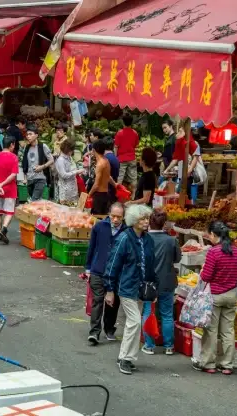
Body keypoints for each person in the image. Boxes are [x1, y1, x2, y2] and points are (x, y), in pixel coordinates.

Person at [104, 204, 155, 375]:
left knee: (133, 324)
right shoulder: (124, 238)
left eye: (147, 218)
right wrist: (109, 289)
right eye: (142, 219)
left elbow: (151, 265)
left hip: (141, 289)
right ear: (134, 221)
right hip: (126, 287)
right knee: (135, 322)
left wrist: (152, 286)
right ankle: (126, 358)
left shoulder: (148, 240)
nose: (146, 221)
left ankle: (126, 357)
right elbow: (113, 264)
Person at [193, 221, 237, 375]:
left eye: (210, 235)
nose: (209, 238)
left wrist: (202, 272)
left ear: (214, 235)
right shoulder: (236, 250)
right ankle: (227, 364)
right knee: (228, 331)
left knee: (212, 330)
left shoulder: (214, 252)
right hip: (232, 294)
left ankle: (208, 363)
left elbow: (207, 276)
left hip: (215, 295)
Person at [85, 202, 126, 345]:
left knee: (113, 303)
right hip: (98, 270)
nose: (115, 220)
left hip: (116, 274)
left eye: (119, 217)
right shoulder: (99, 227)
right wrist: (88, 269)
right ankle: (94, 332)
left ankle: (109, 328)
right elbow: (91, 248)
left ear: (123, 217)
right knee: (98, 301)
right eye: (113, 216)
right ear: (109, 214)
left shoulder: (126, 232)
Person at [142, 208, 181, 355]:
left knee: (148, 312)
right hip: (167, 282)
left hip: (148, 283)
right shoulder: (171, 240)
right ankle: (169, 346)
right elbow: (177, 259)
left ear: (150, 223)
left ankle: (149, 345)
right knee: (167, 314)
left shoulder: (144, 239)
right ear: (164, 224)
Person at [0, 136, 19, 243]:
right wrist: (3, 184)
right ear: (11, 145)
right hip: (10, 188)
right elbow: (13, 174)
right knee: (9, 212)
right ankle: (4, 229)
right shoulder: (14, 157)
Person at [22, 126, 53, 202]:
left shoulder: (43, 146)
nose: (28, 136)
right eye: (27, 135)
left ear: (36, 135)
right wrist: (25, 177)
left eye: (30, 134)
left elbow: (51, 160)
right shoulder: (27, 147)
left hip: (40, 177)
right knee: (36, 201)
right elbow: (25, 163)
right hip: (30, 178)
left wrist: (42, 167)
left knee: (34, 200)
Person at [55, 139, 85, 205]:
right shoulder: (60, 160)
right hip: (65, 190)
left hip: (73, 187)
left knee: (74, 207)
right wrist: (76, 172)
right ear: (68, 149)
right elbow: (63, 175)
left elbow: (73, 168)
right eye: (72, 150)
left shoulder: (69, 157)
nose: (72, 151)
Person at [115, 114, 140, 192]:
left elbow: (116, 147)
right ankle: (133, 195)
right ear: (131, 122)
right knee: (133, 178)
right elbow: (136, 145)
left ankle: (118, 194)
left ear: (123, 122)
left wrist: (115, 158)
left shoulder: (119, 133)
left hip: (121, 159)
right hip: (132, 158)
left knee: (120, 178)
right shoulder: (135, 133)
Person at [90, 140, 111, 215]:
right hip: (105, 194)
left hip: (99, 195)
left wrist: (89, 195)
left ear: (94, 150)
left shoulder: (100, 164)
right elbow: (108, 176)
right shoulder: (106, 160)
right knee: (103, 217)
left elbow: (96, 185)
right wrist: (115, 184)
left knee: (96, 219)